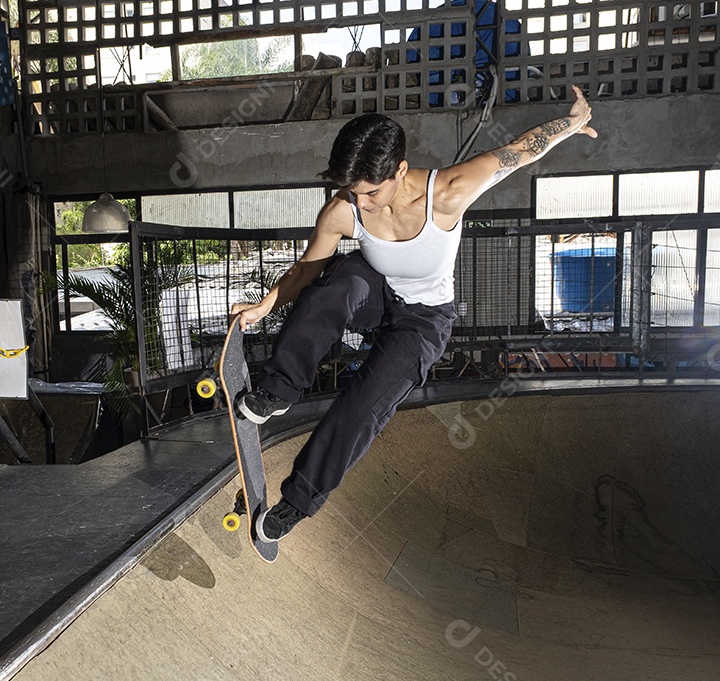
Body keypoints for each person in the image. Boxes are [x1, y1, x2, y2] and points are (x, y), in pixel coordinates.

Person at [232, 84, 596, 544]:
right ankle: (278, 389)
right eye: (352, 192)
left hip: (425, 321)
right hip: (378, 294)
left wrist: (575, 121)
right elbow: (306, 270)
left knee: (364, 404)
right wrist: (265, 305)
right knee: (338, 283)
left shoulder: (448, 191)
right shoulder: (343, 211)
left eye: (370, 193)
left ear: (400, 170)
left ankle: (297, 502)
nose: (360, 204)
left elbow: (521, 151)